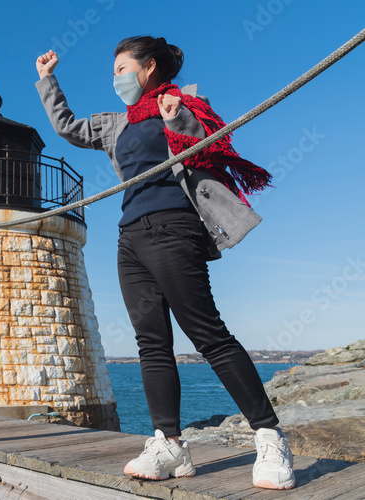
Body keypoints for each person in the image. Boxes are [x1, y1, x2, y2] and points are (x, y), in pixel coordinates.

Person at [33, 36, 296, 490]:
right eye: (112, 70)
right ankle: (170, 444)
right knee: (151, 343)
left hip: (176, 228)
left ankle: (270, 437)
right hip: (129, 236)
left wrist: (179, 120)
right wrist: (47, 79)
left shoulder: (185, 101)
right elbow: (68, 128)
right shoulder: (115, 123)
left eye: (121, 68)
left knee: (207, 334)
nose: (115, 77)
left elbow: (212, 147)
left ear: (149, 66)